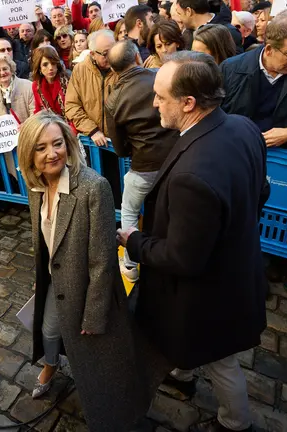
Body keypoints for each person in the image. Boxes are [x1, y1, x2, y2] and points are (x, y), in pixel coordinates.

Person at [117, 51, 267, 432]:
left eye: (160, 97)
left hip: (209, 288)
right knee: (184, 334)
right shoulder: (244, 127)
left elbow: (183, 258)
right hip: (235, 263)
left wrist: (134, 241)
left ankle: (236, 423)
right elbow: (260, 191)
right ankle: (182, 374)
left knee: (221, 359)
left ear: (188, 102)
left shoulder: (191, 173)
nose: (153, 103)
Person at [19, 110, 168, 431]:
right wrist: (40, 281)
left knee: (102, 368)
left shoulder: (93, 188)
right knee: (47, 332)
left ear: (68, 144)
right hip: (56, 283)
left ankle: (116, 417)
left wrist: (94, 313)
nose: (51, 153)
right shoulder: (35, 185)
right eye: (41, 147)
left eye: (57, 143)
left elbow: (102, 260)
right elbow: (44, 244)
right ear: (29, 153)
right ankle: (51, 365)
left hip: (88, 293)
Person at [105, 41, 177, 282]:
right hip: (176, 161)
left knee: (129, 212)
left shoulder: (114, 99)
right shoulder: (161, 79)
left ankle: (130, 265)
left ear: (113, 69)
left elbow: (119, 147)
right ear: (137, 57)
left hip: (144, 166)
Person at [221, 9, 287, 150]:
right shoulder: (231, 69)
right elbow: (215, 114)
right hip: (237, 150)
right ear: (268, 49)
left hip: (285, 156)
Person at [65, 29, 117, 147]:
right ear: (92, 54)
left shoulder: (122, 67)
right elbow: (72, 105)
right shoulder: (80, 70)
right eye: (105, 54)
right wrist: (92, 130)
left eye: (113, 51)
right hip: (92, 142)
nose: (111, 56)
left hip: (120, 142)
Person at [0, 53, 35, 133]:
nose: (2, 73)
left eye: (5, 69)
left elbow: (35, 113)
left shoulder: (28, 86)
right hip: (7, 141)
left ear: (11, 70)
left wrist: (26, 125)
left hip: (28, 134)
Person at [175, 0, 243, 52]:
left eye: (179, 13)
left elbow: (232, 66)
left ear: (188, 11)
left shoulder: (229, 32)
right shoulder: (186, 34)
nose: (178, 18)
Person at [31, 47, 71, 122]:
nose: (50, 68)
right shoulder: (36, 85)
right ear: (39, 68)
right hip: (51, 126)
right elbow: (38, 111)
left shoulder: (67, 80)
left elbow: (74, 109)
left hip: (71, 125)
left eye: (53, 63)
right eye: (45, 65)